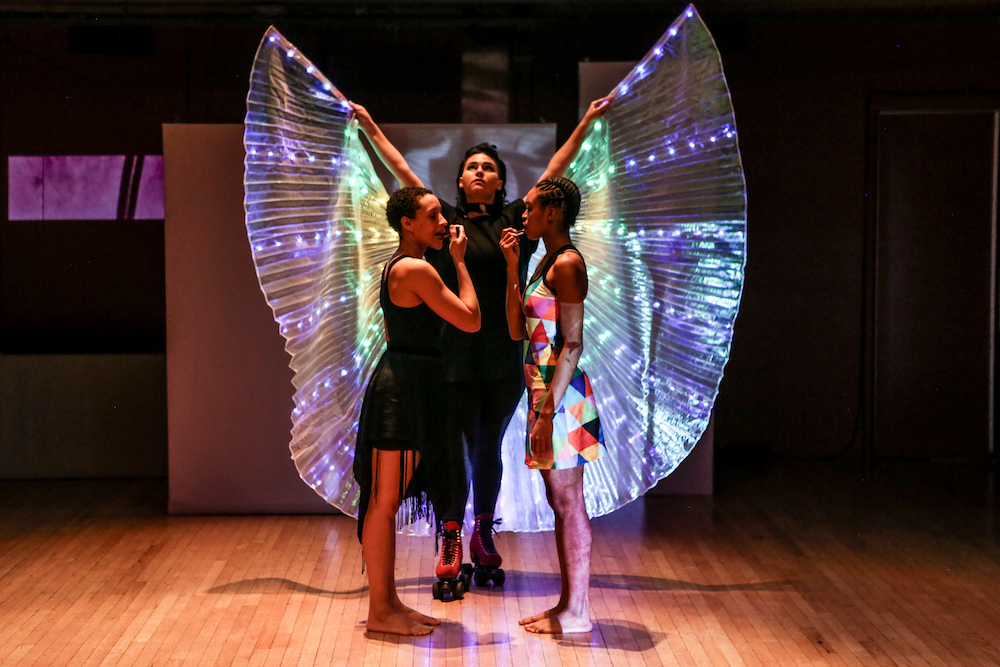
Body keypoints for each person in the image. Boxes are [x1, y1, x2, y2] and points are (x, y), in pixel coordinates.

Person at [350, 98, 610, 587]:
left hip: (502, 358)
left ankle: (483, 533)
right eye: (471, 166)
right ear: (461, 179)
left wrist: (588, 122)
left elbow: (557, 170)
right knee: (450, 446)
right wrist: (368, 126)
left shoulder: (519, 222)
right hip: (449, 357)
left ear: (500, 181)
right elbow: (403, 171)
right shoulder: (441, 222)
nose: (478, 172)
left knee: (488, 445)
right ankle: (451, 532)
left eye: (488, 167)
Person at [354, 187, 480, 634]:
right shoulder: (414, 268)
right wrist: (462, 263)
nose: (444, 223)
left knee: (383, 503)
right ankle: (380, 612)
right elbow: (470, 318)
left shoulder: (404, 264)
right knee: (384, 504)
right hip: (402, 391)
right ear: (408, 224)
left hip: (410, 385)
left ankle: (389, 605)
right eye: (433, 216)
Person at [499, 176, 605, 634]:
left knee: (568, 501)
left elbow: (573, 345)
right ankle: (568, 605)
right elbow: (516, 331)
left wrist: (547, 413)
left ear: (553, 212)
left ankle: (577, 612)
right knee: (559, 499)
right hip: (545, 395)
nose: (524, 216)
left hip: (563, 399)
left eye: (530, 209)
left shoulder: (567, 264)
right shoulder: (545, 261)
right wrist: (511, 269)